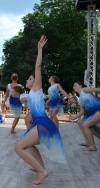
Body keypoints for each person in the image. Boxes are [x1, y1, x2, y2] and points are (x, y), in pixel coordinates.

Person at [14, 35, 66, 185]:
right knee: (27, 145)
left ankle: (42, 171)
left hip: (43, 124)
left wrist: (39, 49)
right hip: (41, 123)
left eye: (29, 78)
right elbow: (29, 115)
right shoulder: (31, 94)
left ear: (35, 81)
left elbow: (38, 67)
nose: (27, 80)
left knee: (18, 147)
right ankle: (40, 167)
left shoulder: (36, 88)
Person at [69, 81, 100, 151]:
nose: (73, 87)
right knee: (80, 122)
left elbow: (98, 90)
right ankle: (88, 141)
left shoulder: (84, 90)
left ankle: (93, 146)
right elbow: (82, 111)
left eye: (75, 85)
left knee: (86, 125)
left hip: (98, 108)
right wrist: (73, 117)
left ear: (80, 86)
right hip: (92, 112)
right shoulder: (80, 100)